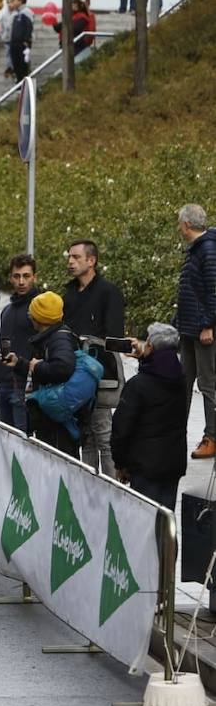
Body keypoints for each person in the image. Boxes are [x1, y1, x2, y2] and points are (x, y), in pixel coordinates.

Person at [61, 239, 125, 475]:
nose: (70, 261)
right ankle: (88, 486)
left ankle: (112, 487)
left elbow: (115, 336)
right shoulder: (69, 292)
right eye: (69, 257)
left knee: (103, 432)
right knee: (85, 434)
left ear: (91, 261)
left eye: (76, 257)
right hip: (73, 371)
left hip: (100, 372)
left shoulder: (108, 292)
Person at [112, 324, 187, 510]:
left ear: (151, 346)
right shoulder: (180, 379)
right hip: (172, 462)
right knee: (165, 522)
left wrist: (120, 463)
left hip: (144, 465)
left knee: (144, 522)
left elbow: (122, 429)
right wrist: (144, 359)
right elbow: (159, 374)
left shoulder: (137, 385)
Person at [2, 291, 82, 457]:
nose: (29, 316)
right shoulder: (49, 336)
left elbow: (62, 368)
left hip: (57, 423)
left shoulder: (59, 339)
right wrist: (20, 363)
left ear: (40, 318)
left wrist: (36, 367)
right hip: (49, 418)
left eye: (32, 313)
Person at [175, 204, 216, 459]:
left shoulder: (208, 250)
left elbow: (214, 290)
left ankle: (211, 436)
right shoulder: (196, 250)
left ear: (186, 225)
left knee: (208, 384)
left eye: (180, 223)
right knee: (183, 380)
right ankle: (176, 433)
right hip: (189, 329)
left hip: (204, 331)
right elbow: (190, 290)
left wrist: (208, 325)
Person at [0, 253, 40, 432]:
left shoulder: (40, 309)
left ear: (35, 277)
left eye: (26, 276)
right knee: (5, 443)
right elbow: (1, 348)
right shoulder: (7, 310)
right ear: (11, 278)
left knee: (23, 445)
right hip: (4, 386)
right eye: (17, 276)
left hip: (26, 388)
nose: (21, 281)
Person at [5, 0, 33, 83]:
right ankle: (19, 83)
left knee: (22, 65)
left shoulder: (26, 12)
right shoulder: (16, 13)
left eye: (15, 0)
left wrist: (26, 40)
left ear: (20, 1)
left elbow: (29, 27)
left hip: (22, 44)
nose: (13, 2)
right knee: (15, 64)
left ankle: (23, 84)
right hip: (14, 43)